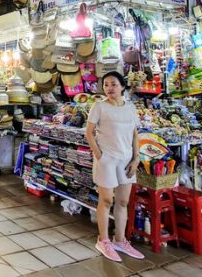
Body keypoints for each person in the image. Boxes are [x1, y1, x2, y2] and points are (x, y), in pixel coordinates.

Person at [86, 71, 145, 262]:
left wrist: (136, 159)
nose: (109, 88)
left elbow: (135, 134)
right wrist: (99, 154)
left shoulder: (130, 108)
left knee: (122, 202)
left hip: (126, 160)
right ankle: (103, 240)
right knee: (106, 201)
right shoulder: (99, 106)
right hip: (107, 159)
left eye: (113, 84)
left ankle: (120, 240)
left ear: (122, 86)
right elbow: (89, 132)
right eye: (106, 85)